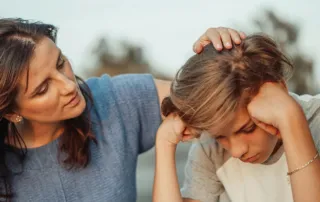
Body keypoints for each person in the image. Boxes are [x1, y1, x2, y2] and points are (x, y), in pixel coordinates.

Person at [0, 18, 245, 202]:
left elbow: (215, 93)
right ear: (11, 112)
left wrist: (219, 59)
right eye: (43, 88)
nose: (68, 85)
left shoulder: (114, 100)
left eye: (61, 63)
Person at [153, 34, 320, 202]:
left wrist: (291, 117)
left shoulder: (316, 120)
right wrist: (164, 143)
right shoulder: (210, 148)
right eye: (220, 136)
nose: (236, 151)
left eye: (247, 129)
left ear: (280, 90)